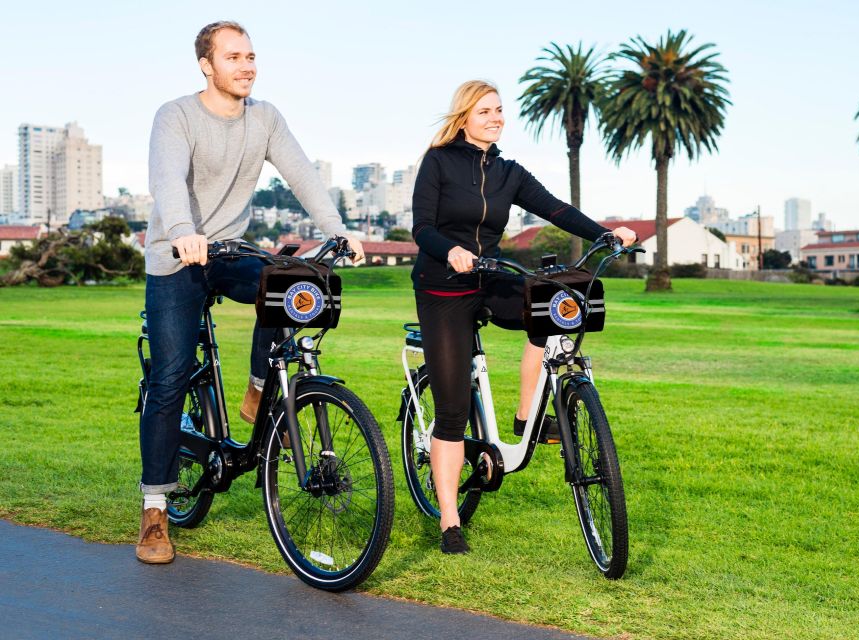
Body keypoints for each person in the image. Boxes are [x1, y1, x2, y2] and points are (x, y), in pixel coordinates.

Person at [136, 20, 364, 564]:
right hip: (178, 254)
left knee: (289, 284)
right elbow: (167, 181)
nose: (246, 65)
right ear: (206, 65)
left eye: (251, 56)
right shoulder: (176, 115)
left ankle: (260, 389)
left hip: (232, 250)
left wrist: (338, 229)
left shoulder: (265, 117)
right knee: (169, 377)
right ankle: (154, 509)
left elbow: (303, 175)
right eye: (233, 56)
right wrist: (181, 232)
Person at [411, 80, 637, 554]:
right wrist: (450, 250)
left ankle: (525, 416)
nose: (495, 118)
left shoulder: (509, 172)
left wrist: (605, 234)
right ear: (464, 117)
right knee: (452, 411)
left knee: (553, 308)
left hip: (490, 275)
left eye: (499, 110)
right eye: (485, 111)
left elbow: (556, 208)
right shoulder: (438, 162)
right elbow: (423, 228)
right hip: (443, 286)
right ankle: (450, 520)